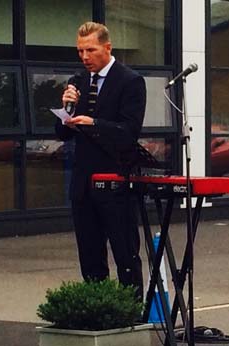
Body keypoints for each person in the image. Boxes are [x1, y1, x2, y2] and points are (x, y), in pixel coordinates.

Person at [56, 22, 146, 299]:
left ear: (108, 47)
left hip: (115, 179)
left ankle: (132, 313)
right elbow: (61, 133)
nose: (84, 57)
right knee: (90, 254)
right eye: (80, 51)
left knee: (124, 252)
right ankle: (99, 311)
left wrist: (94, 123)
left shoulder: (130, 81)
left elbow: (129, 131)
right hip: (83, 182)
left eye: (91, 50)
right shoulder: (79, 80)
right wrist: (66, 109)